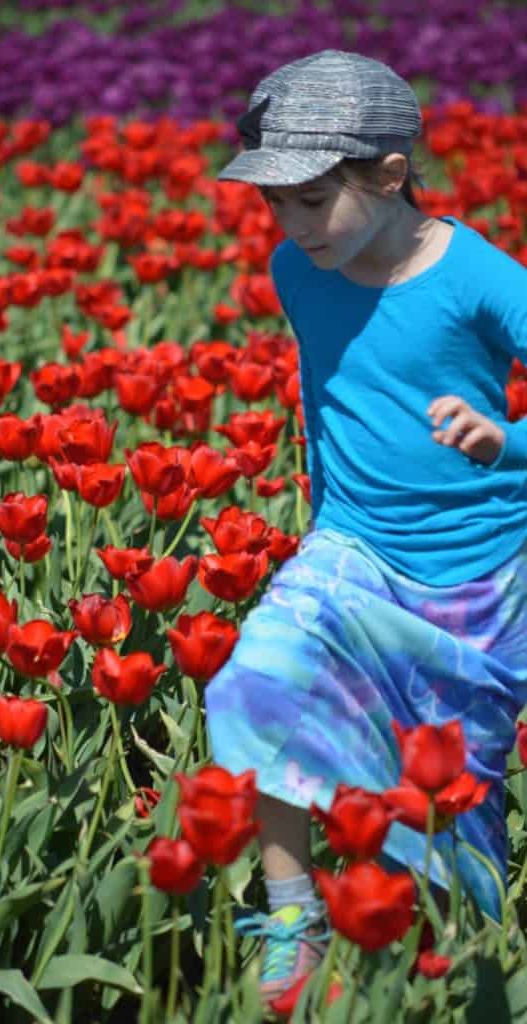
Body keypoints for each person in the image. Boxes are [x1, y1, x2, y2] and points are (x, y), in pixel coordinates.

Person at [205, 48, 527, 1005]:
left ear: (391, 176)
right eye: (275, 203)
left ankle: (450, 967)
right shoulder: (297, 272)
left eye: (313, 200)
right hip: (351, 550)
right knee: (256, 679)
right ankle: (292, 910)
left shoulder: (477, 277)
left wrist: (502, 441)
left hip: (479, 577)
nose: (291, 226)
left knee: (454, 807)